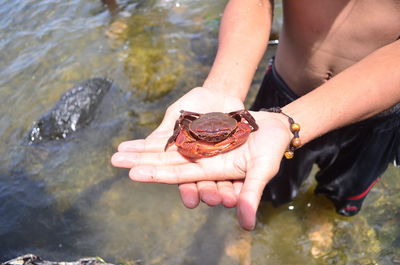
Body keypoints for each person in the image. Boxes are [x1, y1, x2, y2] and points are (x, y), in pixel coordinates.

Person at [111, 0, 400, 230]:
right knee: (266, 187)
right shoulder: (201, 125)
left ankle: (321, 219)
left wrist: (287, 125)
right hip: (281, 95)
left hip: (377, 115)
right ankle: (259, 224)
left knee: (344, 189)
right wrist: (223, 86)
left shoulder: (241, 124)